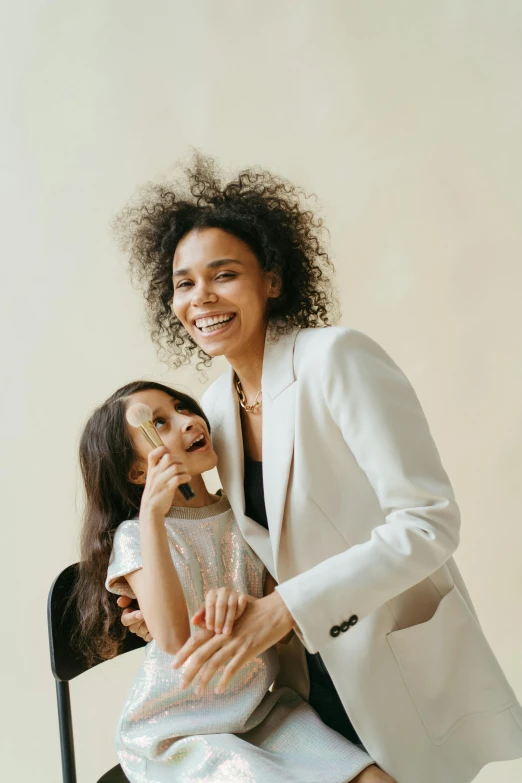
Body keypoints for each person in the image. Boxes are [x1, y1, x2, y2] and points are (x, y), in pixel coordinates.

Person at [116, 156, 522, 783]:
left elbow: (428, 523)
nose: (202, 299)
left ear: (272, 281)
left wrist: (285, 609)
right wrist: (178, 599)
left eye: (224, 274)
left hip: (390, 653)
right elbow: (252, 541)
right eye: (184, 283)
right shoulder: (215, 408)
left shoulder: (337, 359)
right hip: (301, 681)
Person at [74, 379, 389, 783]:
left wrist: (246, 609)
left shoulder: (243, 514)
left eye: (181, 408)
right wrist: (153, 515)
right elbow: (172, 638)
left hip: (263, 712)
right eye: (160, 423)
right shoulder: (137, 536)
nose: (187, 422)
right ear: (138, 471)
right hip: (178, 734)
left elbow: (284, 630)